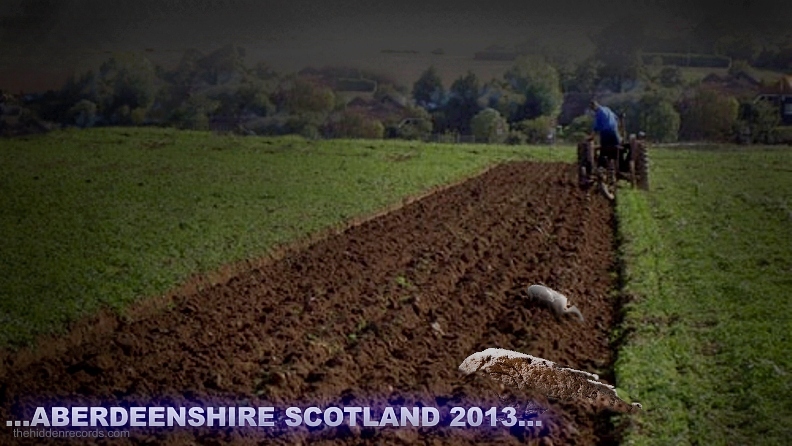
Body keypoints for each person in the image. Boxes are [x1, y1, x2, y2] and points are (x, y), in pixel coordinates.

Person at [587, 100, 621, 167]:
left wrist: (591, 137)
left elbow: (596, 127)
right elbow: (616, 118)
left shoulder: (598, 113)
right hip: (614, 132)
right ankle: (618, 165)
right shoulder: (607, 109)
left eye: (593, 109)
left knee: (604, 150)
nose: (593, 111)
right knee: (617, 149)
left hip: (605, 133)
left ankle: (602, 166)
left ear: (594, 107)